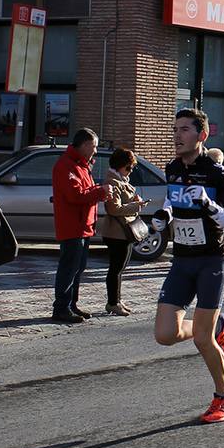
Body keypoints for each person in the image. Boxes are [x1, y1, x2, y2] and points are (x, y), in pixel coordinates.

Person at [152, 108, 224, 423]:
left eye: (184, 130)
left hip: (212, 260)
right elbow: (173, 199)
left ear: (201, 135)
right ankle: (219, 324)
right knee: (164, 334)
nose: (177, 136)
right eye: (175, 130)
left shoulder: (216, 173)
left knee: (201, 339)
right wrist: (164, 215)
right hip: (182, 260)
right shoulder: (172, 169)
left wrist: (210, 207)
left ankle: (223, 396)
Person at [51, 128, 109, 324]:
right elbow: (75, 195)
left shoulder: (82, 165)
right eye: (93, 146)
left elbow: (85, 190)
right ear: (84, 145)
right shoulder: (66, 166)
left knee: (78, 267)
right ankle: (61, 308)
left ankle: (71, 304)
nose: (95, 151)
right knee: (69, 267)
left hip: (84, 225)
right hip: (72, 225)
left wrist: (99, 190)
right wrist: (100, 192)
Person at [99, 147, 145, 316]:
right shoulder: (112, 181)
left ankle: (116, 300)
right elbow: (114, 208)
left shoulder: (121, 179)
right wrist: (136, 205)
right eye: (129, 167)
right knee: (115, 269)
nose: (130, 170)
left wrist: (135, 201)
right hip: (116, 233)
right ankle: (112, 302)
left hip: (123, 231)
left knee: (120, 268)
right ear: (120, 165)